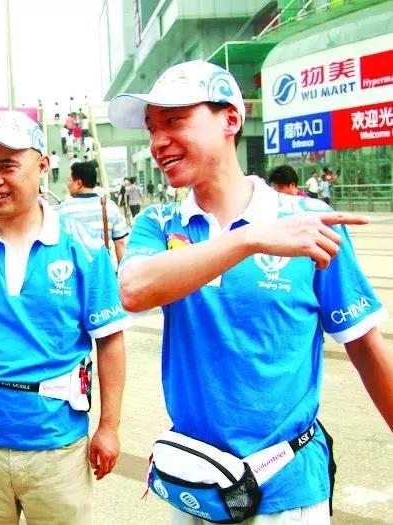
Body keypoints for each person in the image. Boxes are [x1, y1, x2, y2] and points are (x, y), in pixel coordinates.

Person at [109, 60, 393, 523]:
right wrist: (251, 238)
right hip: (195, 486)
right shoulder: (158, 225)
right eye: (151, 127)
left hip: (287, 489)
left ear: (231, 120)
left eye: (174, 121)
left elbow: (364, 345)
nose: (158, 142)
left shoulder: (309, 222)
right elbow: (134, 290)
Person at [0, 111, 130, 524]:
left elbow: (109, 341)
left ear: (42, 166)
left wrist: (109, 426)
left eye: (7, 166)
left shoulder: (83, 249)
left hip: (57, 444)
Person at [57, 161, 129, 265]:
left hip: (74, 272)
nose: (67, 184)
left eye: (69, 180)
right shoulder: (110, 207)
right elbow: (120, 243)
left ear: (78, 183)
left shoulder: (63, 210)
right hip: (103, 271)